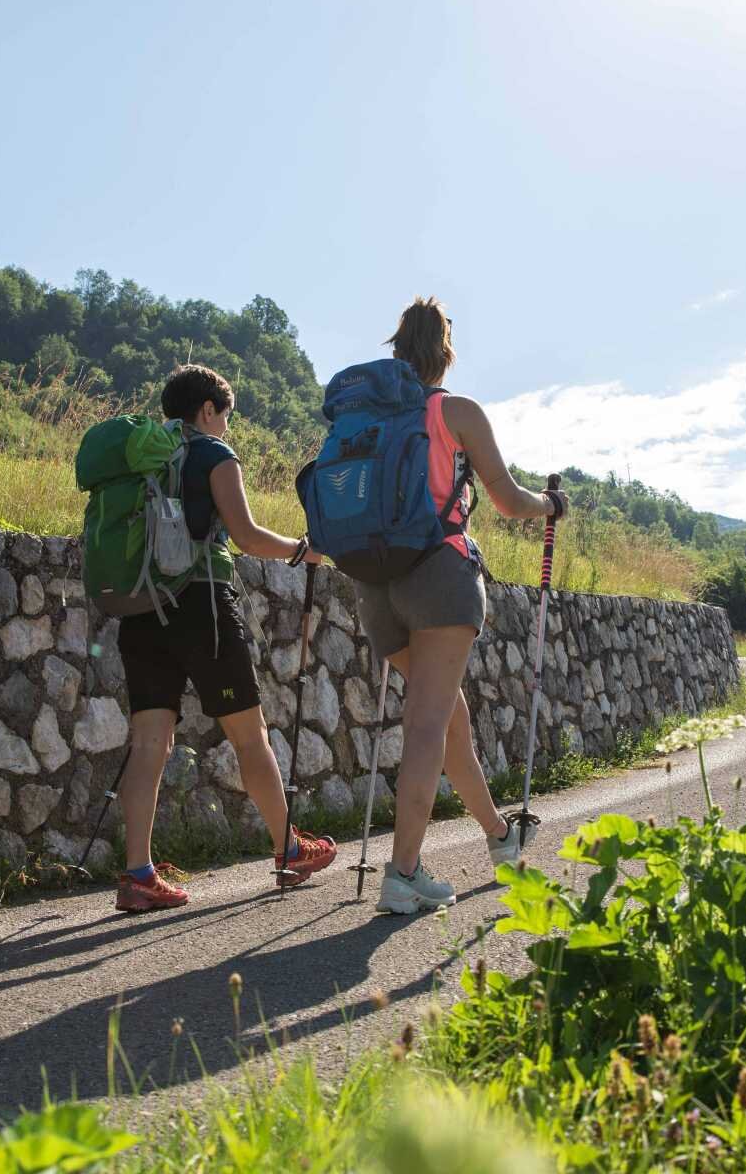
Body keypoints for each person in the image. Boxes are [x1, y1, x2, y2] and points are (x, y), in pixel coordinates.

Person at [359, 297, 569, 914]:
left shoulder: (366, 417)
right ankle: (403, 873)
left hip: (374, 583)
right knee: (428, 724)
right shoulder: (456, 412)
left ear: (395, 352)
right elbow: (506, 499)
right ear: (444, 353)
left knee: (450, 719)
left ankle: (500, 837)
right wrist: (550, 509)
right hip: (438, 578)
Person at [113, 364, 337, 912]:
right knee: (249, 734)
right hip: (202, 605)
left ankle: (138, 874)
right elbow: (245, 535)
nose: (227, 428)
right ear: (208, 410)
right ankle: (288, 849)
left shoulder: (142, 459)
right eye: (226, 417)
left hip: (143, 606)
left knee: (150, 743)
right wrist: (302, 550)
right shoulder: (214, 454)